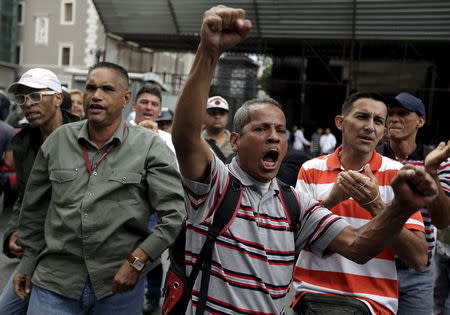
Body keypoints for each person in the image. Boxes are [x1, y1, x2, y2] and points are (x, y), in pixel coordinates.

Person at [171, 6, 437, 314]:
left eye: (281, 130)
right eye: (261, 129)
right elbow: (187, 136)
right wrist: (208, 52)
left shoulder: (293, 203)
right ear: (235, 140)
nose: (274, 137)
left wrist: (400, 207)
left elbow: (358, 246)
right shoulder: (216, 184)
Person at [12, 62, 185, 315]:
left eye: (107, 89)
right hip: (55, 283)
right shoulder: (59, 140)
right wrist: (26, 263)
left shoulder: (150, 147)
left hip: (118, 286)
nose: (96, 95)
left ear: (126, 98)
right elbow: (34, 211)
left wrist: (136, 262)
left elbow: (174, 216)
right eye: (90, 88)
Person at [292, 91, 427, 315]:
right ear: (341, 122)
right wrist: (332, 199)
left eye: (378, 121)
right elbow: (293, 237)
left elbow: (419, 258)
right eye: (362, 117)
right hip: (311, 300)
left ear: (384, 132)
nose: (370, 127)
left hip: (374, 305)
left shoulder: (398, 175)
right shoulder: (311, 169)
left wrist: (376, 206)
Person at [0, 68, 80, 315]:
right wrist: (12, 232)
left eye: (36, 96)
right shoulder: (24, 141)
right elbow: (26, 197)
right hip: (37, 250)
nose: (27, 104)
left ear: (57, 98)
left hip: (76, 252)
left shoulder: (86, 133)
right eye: (22, 98)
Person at [377, 92, 450, 315]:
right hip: (374, 265)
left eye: (403, 113)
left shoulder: (438, 161)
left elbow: (442, 219)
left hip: (417, 271)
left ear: (420, 120)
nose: (394, 119)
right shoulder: (372, 158)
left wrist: (430, 172)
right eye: (390, 114)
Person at [130, 84, 177, 314]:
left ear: (160, 110)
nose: (149, 107)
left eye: (154, 104)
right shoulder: (120, 130)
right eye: (145, 102)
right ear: (134, 105)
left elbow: (175, 173)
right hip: (125, 207)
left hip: (153, 211)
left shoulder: (169, 139)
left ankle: (151, 294)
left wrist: (155, 138)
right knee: (126, 254)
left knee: (151, 254)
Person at [202, 95, 233, 161]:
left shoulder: (236, 142)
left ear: (227, 118)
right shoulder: (197, 141)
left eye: (222, 113)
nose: (217, 117)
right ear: (204, 116)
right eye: (213, 113)